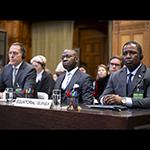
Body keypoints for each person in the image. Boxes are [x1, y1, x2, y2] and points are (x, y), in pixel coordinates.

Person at [99, 40, 150, 108]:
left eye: (132, 53)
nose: (128, 56)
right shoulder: (115, 75)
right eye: (125, 53)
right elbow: (102, 97)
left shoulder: (148, 74)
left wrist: (123, 100)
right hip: (119, 116)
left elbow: (148, 101)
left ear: (141, 56)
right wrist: (105, 99)